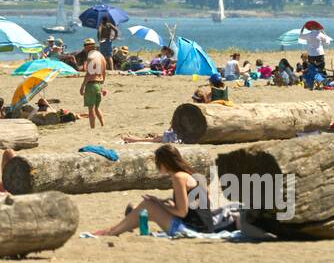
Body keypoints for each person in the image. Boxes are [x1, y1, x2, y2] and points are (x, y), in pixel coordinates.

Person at [92, 144, 229, 237]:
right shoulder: (194, 176)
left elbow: (182, 212)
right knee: (152, 206)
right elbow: (201, 206)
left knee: (148, 205)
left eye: (158, 162)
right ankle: (125, 224)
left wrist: (159, 203)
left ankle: (112, 231)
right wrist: (163, 203)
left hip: (192, 230)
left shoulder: (178, 177)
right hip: (205, 227)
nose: (157, 166)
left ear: (164, 162)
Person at [81, 37, 107, 129]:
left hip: (91, 84)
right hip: (99, 84)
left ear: (88, 47)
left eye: (85, 46)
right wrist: (102, 86)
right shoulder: (101, 56)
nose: (84, 48)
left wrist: (82, 86)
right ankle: (103, 125)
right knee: (97, 108)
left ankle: (92, 128)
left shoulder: (90, 56)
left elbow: (89, 73)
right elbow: (104, 72)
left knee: (91, 109)